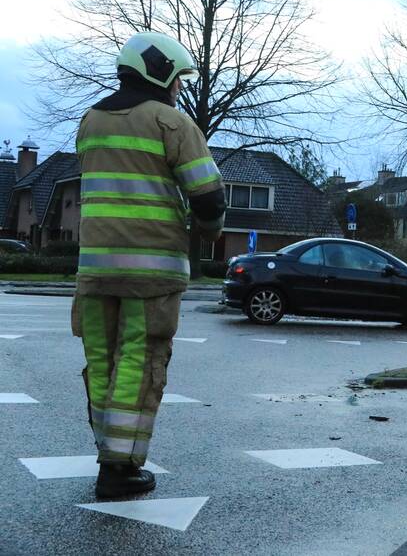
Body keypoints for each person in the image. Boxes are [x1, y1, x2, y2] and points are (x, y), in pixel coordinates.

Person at [73, 31, 226, 499]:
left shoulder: (90, 122)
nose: (180, 87)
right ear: (158, 72)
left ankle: (107, 455)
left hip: (95, 272)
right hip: (151, 271)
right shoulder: (171, 123)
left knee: (101, 362)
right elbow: (209, 196)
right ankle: (120, 468)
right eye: (178, 78)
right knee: (140, 361)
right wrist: (210, 231)